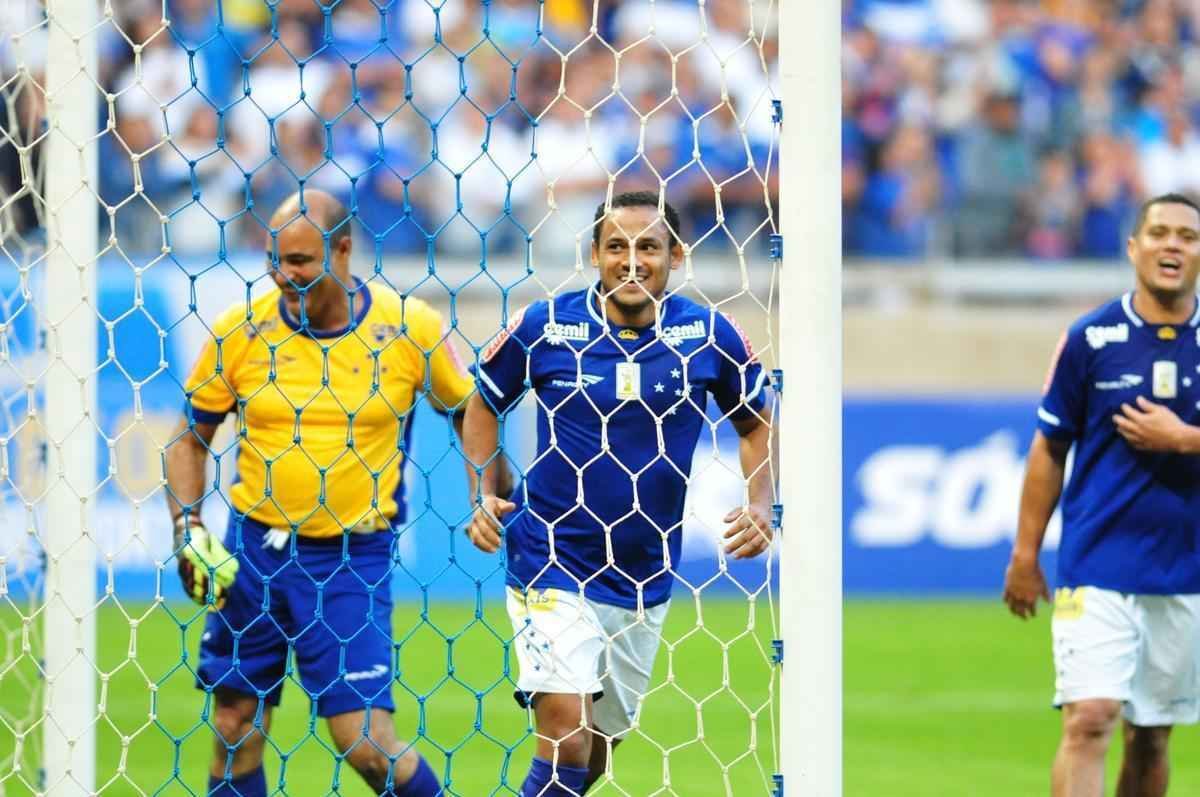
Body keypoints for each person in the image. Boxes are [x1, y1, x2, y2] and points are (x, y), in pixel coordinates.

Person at [462, 190, 774, 796]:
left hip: (642, 573)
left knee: (595, 754)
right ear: (594, 256)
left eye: (648, 247)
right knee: (566, 733)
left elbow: (757, 422)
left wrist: (760, 503)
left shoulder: (709, 334)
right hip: (551, 556)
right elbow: (482, 404)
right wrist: (482, 490)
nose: (632, 261)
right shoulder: (546, 326)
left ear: (676, 255)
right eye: (616, 247)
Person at [165, 189, 475, 796]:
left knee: (363, 741)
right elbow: (187, 439)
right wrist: (188, 528)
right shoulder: (242, 330)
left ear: (343, 250)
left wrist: (483, 493)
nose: (286, 277)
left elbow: (469, 412)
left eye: (301, 262)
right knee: (235, 725)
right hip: (252, 553)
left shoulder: (409, 327)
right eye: (276, 262)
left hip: (349, 560)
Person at [1003, 193, 1200, 797]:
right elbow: (1049, 447)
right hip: (1096, 564)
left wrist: (1187, 439)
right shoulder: (1091, 338)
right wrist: (1025, 553)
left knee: (1151, 737)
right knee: (1089, 720)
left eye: (1187, 237)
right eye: (1160, 233)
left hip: (1186, 569)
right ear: (1133, 248)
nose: (1173, 245)